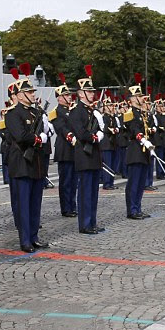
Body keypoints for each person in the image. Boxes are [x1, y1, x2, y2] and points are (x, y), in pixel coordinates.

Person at [4, 68, 49, 253]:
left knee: (35, 203)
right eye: (29, 92)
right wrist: (38, 138)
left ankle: (33, 236)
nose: (32, 95)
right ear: (19, 95)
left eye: (32, 92)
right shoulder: (13, 113)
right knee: (23, 204)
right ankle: (25, 240)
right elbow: (20, 135)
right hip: (22, 162)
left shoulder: (35, 112)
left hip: (35, 163)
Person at [68, 66, 104, 234]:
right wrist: (95, 137)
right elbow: (81, 133)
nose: (92, 94)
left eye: (92, 92)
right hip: (84, 154)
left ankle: (92, 222)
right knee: (85, 193)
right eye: (88, 92)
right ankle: (85, 224)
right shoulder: (76, 111)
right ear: (80, 94)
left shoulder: (92, 111)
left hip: (94, 155)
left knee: (93, 193)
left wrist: (100, 131)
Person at [123, 75, 153, 220]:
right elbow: (134, 129)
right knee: (134, 182)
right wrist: (142, 139)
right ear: (133, 99)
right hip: (135, 150)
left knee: (141, 182)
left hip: (143, 151)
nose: (142, 98)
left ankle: (138, 207)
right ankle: (132, 210)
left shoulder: (141, 113)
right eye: (139, 96)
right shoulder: (130, 114)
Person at [51, 76, 78, 217]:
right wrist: (72, 137)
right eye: (66, 95)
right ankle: (66, 208)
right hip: (64, 149)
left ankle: (73, 205)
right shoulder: (56, 112)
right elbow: (61, 128)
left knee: (74, 181)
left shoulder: (72, 110)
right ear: (59, 98)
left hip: (74, 149)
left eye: (69, 95)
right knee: (66, 181)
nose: (69, 97)